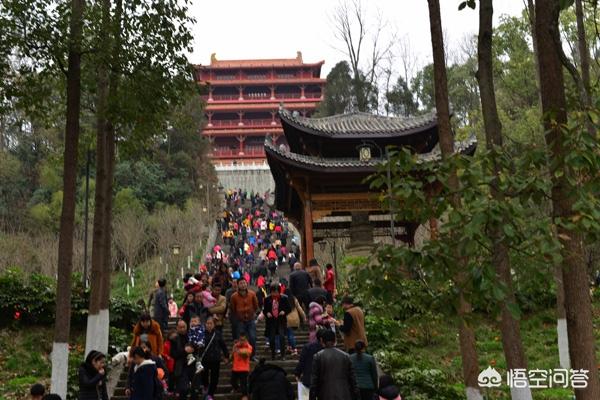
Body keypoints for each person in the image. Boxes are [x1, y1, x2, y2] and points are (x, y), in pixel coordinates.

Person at [309, 330, 360, 400]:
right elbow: (353, 379)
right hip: (344, 394)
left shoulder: (318, 356)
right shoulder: (345, 356)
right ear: (335, 340)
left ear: (322, 341)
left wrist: (312, 397)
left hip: (325, 395)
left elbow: (314, 381)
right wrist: (356, 396)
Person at [195, 318, 228, 400]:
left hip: (215, 359)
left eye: (211, 323)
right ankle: (205, 386)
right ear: (205, 324)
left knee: (215, 377)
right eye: (207, 323)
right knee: (204, 375)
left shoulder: (217, 334)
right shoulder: (201, 333)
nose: (209, 325)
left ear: (214, 325)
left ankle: (210, 394)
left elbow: (223, 345)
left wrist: (226, 356)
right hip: (204, 359)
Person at [230, 278, 259, 361]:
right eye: (241, 283)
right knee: (240, 339)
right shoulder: (234, 296)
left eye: (244, 283)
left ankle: (252, 355)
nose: (243, 285)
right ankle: (241, 355)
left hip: (250, 319)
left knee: (253, 337)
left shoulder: (252, 294)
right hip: (240, 321)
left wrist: (253, 313)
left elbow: (256, 306)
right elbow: (232, 309)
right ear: (238, 285)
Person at [263, 283, 292, 360]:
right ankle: (273, 354)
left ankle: (283, 355)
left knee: (282, 337)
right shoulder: (267, 299)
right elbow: (264, 310)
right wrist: (267, 313)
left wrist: (284, 311)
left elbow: (289, 308)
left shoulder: (284, 298)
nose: (275, 294)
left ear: (279, 292)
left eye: (276, 292)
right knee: (271, 338)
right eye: (273, 292)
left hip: (281, 321)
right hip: (271, 321)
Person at [295, 330, 324, 400]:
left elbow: (302, 361)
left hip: (309, 378)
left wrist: (297, 373)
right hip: (324, 381)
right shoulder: (327, 349)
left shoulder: (308, 347)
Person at [231, 332, 253, 399]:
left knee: (243, 384)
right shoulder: (236, 345)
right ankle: (236, 388)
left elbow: (246, 354)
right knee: (232, 381)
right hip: (235, 368)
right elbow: (232, 355)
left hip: (244, 369)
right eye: (240, 340)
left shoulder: (249, 346)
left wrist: (238, 350)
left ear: (246, 340)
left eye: (243, 340)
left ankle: (245, 396)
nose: (242, 341)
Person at [286, 289, 306, 356]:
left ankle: (294, 349)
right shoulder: (294, 299)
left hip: (287, 319)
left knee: (290, 334)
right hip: (295, 319)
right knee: (289, 334)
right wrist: (304, 317)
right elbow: (299, 309)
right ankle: (289, 347)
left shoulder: (283, 299)